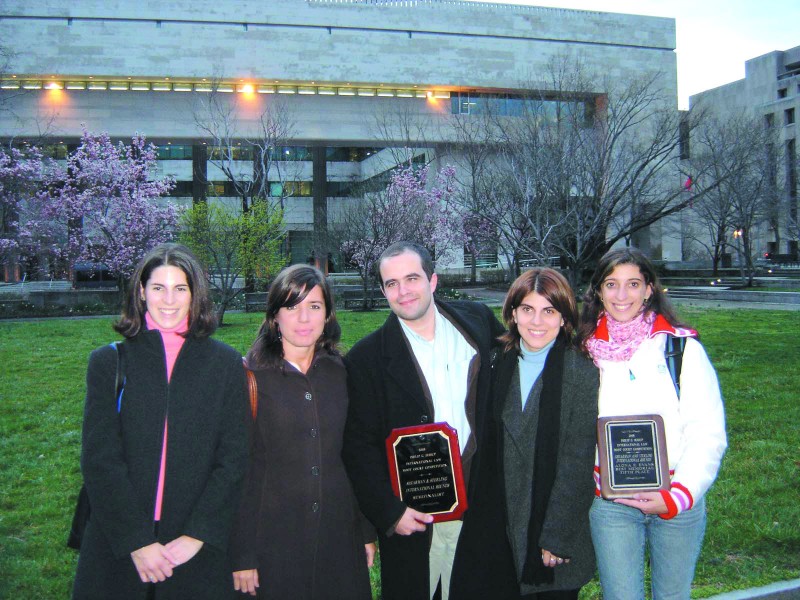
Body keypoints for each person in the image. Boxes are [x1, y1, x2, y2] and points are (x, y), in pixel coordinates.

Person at [72, 243, 250, 600]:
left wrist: (197, 534)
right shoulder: (108, 363)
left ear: (194, 294)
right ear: (141, 291)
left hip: (194, 544)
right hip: (120, 542)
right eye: (158, 287)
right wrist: (136, 541)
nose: (169, 300)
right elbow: (100, 459)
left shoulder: (225, 364)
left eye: (180, 288)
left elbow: (234, 458)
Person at [342, 241, 504, 600]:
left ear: (432, 280)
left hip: (482, 506)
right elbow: (358, 446)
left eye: (412, 278)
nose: (403, 291)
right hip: (416, 514)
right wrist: (389, 512)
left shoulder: (477, 322)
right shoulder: (366, 359)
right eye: (392, 283)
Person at [577, 247, 727, 600]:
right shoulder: (581, 353)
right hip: (613, 505)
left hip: (675, 501)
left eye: (633, 284)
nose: (621, 295)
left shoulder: (680, 349)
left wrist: (679, 496)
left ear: (649, 289)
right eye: (611, 284)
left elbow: (707, 432)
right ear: (598, 291)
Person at [451, 268, 599, 600]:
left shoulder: (581, 372)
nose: (537, 321)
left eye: (549, 311)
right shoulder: (493, 363)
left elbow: (578, 461)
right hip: (497, 532)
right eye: (528, 309)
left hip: (551, 537)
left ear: (564, 318)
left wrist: (556, 536)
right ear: (513, 313)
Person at [230, 264, 374, 600]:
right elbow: (237, 470)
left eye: (314, 306)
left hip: (338, 537)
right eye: (292, 307)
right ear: (274, 317)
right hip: (273, 541)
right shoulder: (249, 377)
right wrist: (242, 552)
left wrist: (365, 530)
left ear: (327, 315)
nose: (304, 318)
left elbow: (355, 456)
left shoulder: (343, 374)